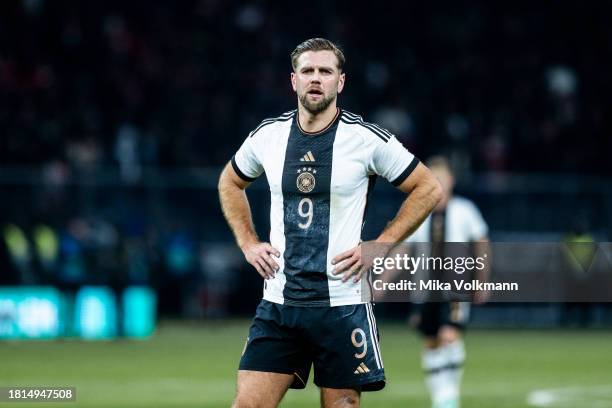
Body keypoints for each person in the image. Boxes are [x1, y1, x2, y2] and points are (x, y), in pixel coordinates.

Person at [218, 38, 442, 408]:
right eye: (308, 71)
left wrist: (381, 244)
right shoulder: (268, 135)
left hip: (342, 301)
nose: (316, 79)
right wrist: (247, 242)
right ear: (294, 80)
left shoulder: (366, 139)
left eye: (326, 71)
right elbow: (230, 180)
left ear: (341, 82)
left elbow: (428, 187)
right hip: (280, 302)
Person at [405, 156, 490, 408]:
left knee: (449, 335)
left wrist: (481, 280)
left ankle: (448, 396)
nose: (439, 182)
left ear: (451, 180)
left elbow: (482, 244)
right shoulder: (419, 210)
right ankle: (441, 398)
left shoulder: (465, 210)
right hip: (424, 291)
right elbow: (403, 252)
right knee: (431, 343)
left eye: (442, 177)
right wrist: (381, 282)